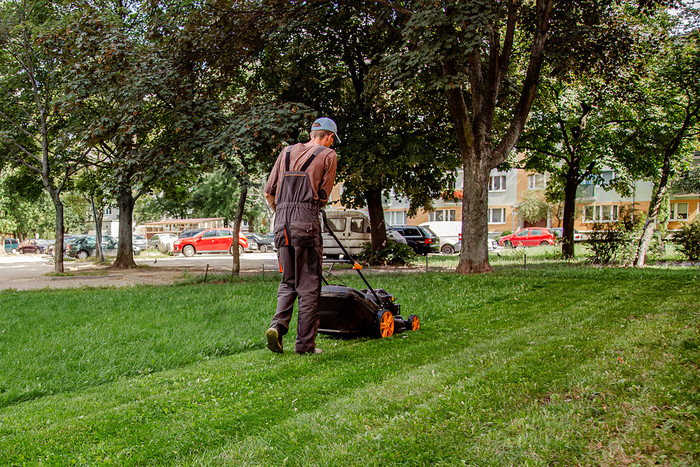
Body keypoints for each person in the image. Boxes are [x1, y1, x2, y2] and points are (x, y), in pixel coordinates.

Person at [264, 117, 340, 355]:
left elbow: (269, 193)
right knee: (308, 285)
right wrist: (302, 213)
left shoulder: (285, 152)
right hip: (305, 221)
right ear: (329, 137)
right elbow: (324, 194)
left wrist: (282, 213)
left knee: (288, 281)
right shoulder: (329, 156)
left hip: (281, 222)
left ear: (311, 133)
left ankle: (277, 326)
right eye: (332, 141)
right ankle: (305, 346)